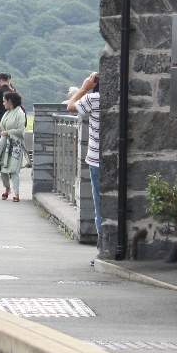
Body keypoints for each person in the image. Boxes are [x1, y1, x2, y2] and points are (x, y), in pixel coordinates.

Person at [66, 72, 101, 237]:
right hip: (118, 159)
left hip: (96, 159)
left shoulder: (94, 99)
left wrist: (83, 88)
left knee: (100, 207)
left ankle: (103, 250)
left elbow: (71, 107)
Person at [0, 91, 27, 201]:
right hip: (4, 145)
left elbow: (21, 131)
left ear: (10, 101)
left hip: (15, 146)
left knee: (14, 170)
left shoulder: (20, 113)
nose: (3, 103)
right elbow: (3, 128)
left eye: (4, 101)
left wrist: (8, 132)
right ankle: (7, 188)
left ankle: (16, 194)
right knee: (3, 169)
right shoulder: (7, 112)